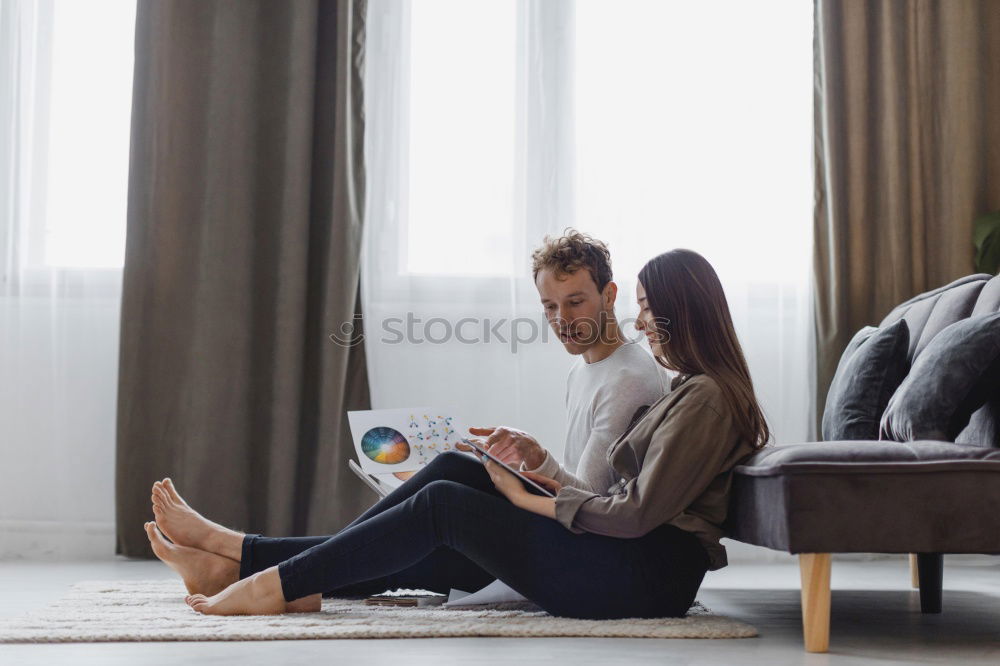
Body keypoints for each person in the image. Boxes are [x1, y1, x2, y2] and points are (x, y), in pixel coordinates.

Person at [145, 248, 769, 619]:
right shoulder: (695, 388)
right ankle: (255, 567)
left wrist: (529, 495)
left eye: (649, 309)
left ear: (684, 313)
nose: (642, 322)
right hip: (633, 562)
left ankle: (264, 580)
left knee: (444, 503)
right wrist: (537, 468)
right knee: (453, 474)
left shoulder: (705, 397)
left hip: (645, 576)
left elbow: (633, 514)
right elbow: (626, 499)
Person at [468, 228, 670, 494]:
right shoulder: (582, 369)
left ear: (608, 296)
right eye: (550, 306)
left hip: (591, 528)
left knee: (442, 495)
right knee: (455, 467)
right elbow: (577, 475)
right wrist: (524, 461)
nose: (561, 319)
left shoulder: (627, 379)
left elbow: (590, 497)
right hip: (570, 514)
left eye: (574, 302)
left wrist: (537, 456)